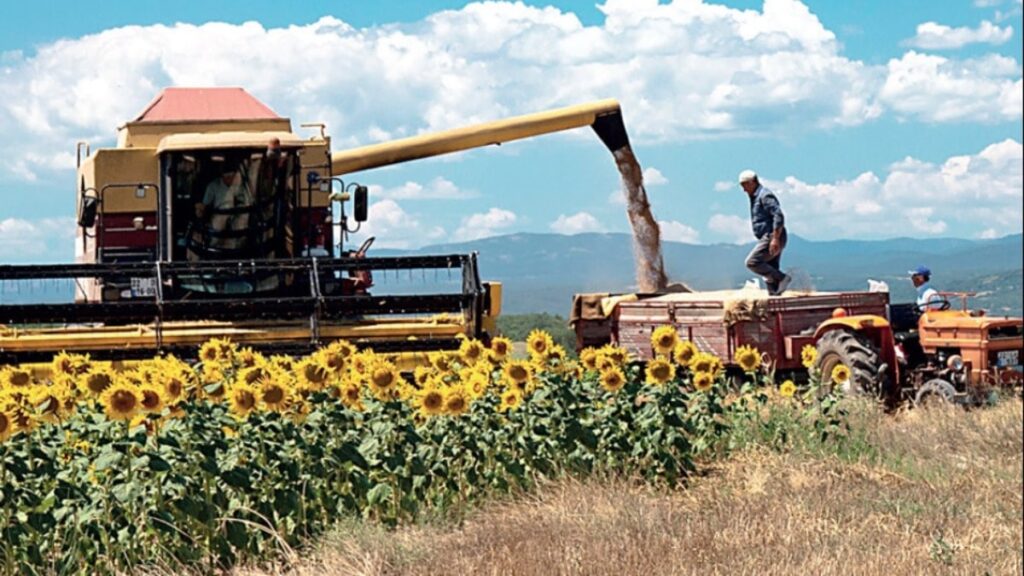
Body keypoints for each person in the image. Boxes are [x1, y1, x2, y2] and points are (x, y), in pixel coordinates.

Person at [739, 169, 791, 295]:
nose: (744, 190)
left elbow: (778, 215)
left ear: (753, 182)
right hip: (769, 236)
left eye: (745, 185)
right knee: (770, 271)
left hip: (772, 235)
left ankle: (782, 278)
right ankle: (774, 296)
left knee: (752, 262)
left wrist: (775, 238)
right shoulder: (755, 197)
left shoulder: (764, 195)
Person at [196, 165, 251, 249]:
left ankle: (240, 248)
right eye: (228, 177)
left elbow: (243, 201)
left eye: (232, 177)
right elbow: (205, 205)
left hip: (234, 215)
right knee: (219, 222)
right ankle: (214, 246)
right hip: (218, 216)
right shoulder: (213, 186)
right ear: (223, 176)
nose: (230, 179)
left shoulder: (238, 187)